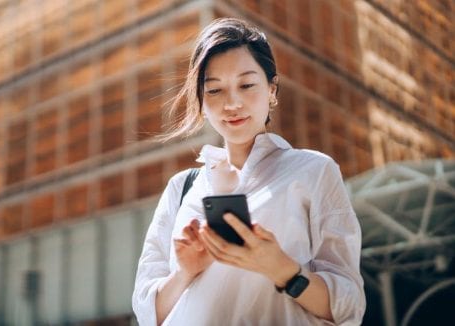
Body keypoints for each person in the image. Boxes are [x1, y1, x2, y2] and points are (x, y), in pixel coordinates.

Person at [132, 18, 365, 325]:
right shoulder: (182, 188)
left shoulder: (313, 171)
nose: (232, 103)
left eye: (246, 85)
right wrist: (185, 271)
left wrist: (282, 269)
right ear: (201, 101)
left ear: (272, 88)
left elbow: (348, 306)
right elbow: (149, 313)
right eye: (214, 90)